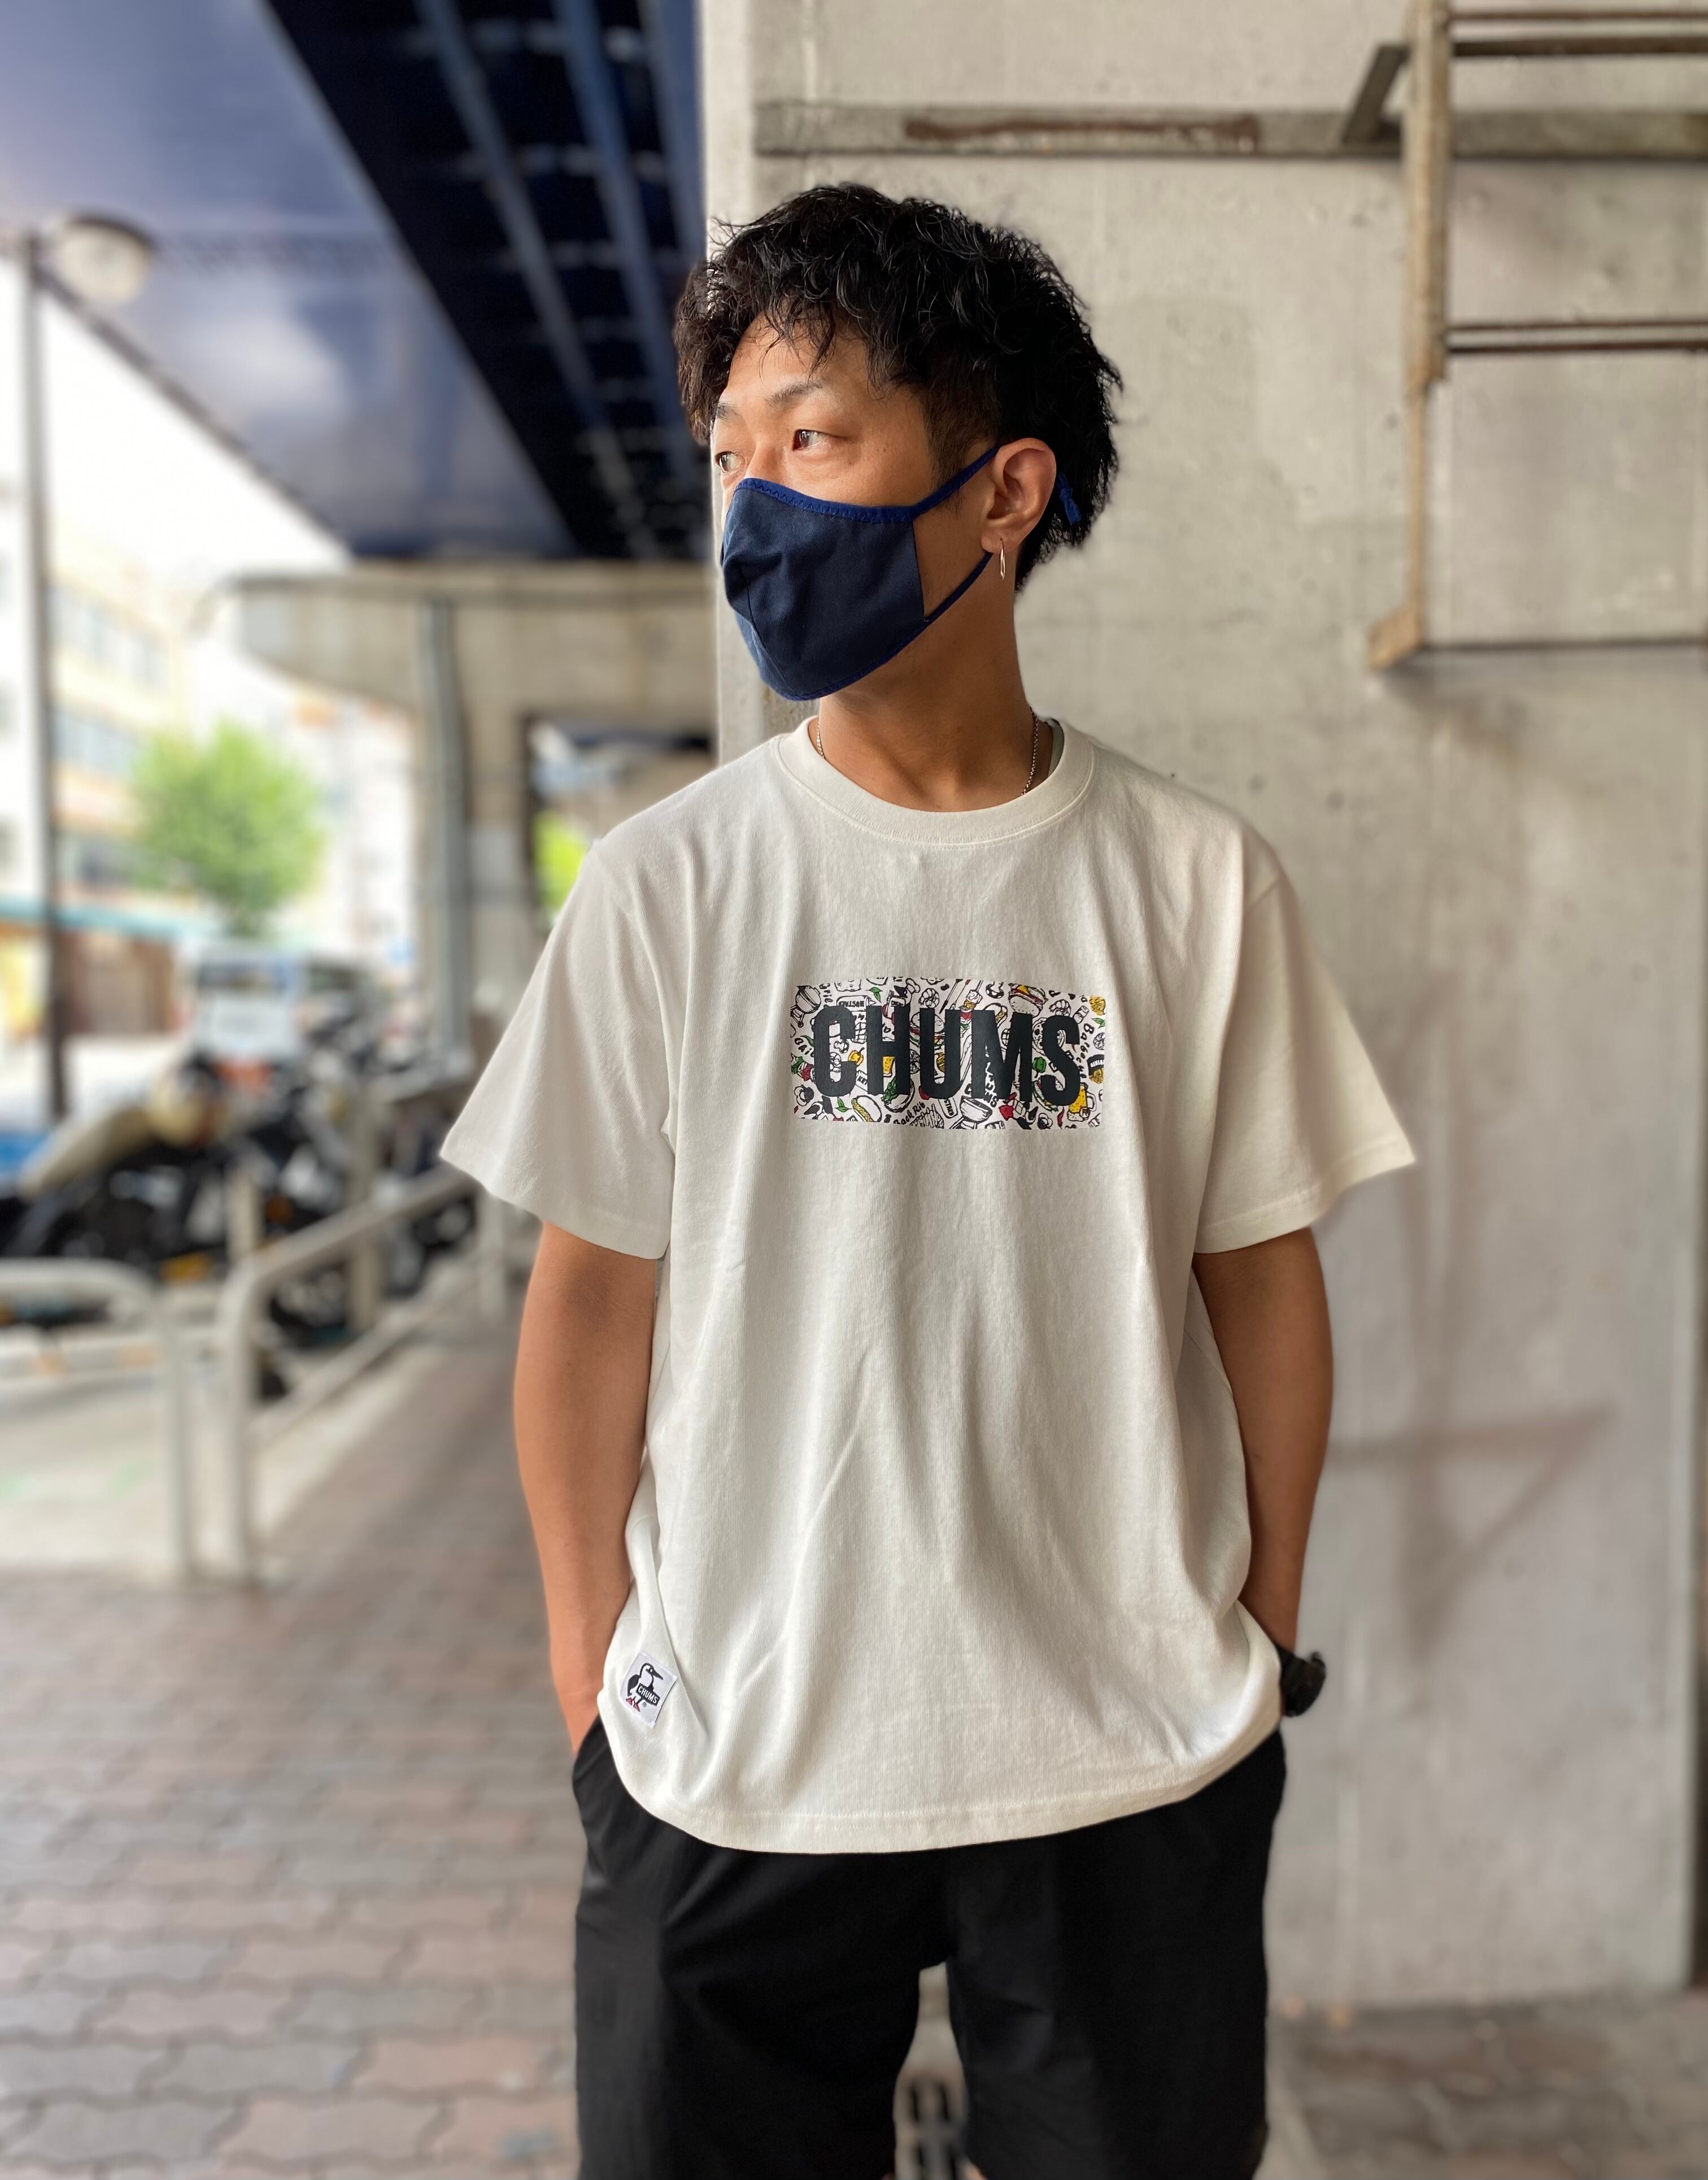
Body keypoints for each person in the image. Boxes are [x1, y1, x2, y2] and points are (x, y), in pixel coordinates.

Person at [439, 181, 1415, 2180]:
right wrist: (589, 1683)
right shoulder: (669, 886)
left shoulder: (1192, 881)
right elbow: (590, 1302)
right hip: (735, 1751)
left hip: (1128, 1746)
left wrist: (1259, 1627)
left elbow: (1263, 1277)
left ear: (1003, 491)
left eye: (812, 439)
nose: (754, 505)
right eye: (731, 453)